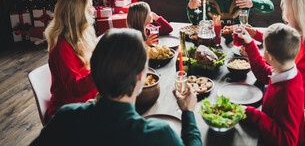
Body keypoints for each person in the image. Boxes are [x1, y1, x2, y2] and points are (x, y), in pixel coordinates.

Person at [30, 28, 202, 146]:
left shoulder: (65, 118)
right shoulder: (159, 135)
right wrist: (188, 114)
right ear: (141, 77)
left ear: (94, 72)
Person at [245, 0, 305, 108]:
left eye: (284, 3)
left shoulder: (298, 42)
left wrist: (250, 48)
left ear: (295, 10)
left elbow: (267, 75)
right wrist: (256, 34)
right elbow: (280, 40)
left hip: (296, 96)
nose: (281, 6)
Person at [240, 23, 305, 145]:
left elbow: (287, 141)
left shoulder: (287, 95)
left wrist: (254, 115)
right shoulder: (287, 71)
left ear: (269, 56)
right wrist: (249, 44)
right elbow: (263, 72)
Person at [43, 0, 98, 124]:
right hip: (68, 112)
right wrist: (101, 70)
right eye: (90, 7)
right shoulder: (61, 46)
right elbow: (76, 88)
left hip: (89, 101)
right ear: (78, 15)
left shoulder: (83, 35)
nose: (93, 10)